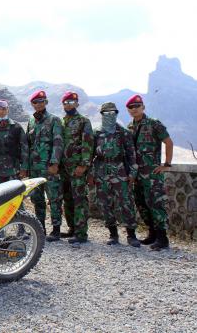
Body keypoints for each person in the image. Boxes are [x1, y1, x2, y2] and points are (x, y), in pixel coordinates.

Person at [89, 102, 140, 247]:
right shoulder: (96, 132)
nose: (110, 115)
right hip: (101, 170)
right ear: (102, 115)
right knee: (104, 203)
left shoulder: (123, 133)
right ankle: (113, 234)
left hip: (120, 171)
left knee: (126, 202)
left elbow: (131, 155)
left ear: (117, 113)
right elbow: (91, 155)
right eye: (106, 113)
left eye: (113, 113)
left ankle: (131, 235)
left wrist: (133, 173)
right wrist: (91, 174)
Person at [126, 94, 173, 250]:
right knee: (142, 204)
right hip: (137, 174)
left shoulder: (154, 124)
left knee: (156, 204)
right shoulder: (130, 127)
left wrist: (166, 164)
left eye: (137, 106)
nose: (134, 110)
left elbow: (168, 142)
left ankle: (162, 239)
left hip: (152, 175)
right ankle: (152, 234)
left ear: (143, 107)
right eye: (131, 107)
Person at [22, 90, 63, 236]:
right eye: (35, 102)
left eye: (41, 101)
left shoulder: (54, 120)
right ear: (32, 104)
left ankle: (56, 230)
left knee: (54, 198)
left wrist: (55, 163)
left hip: (48, 167)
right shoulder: (31, 121)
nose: (38, 104)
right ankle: (40, 229)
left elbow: (58, 142)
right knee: (37, 199)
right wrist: (25, 167)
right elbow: (28, 145)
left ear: (45, 102)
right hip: (34, 168)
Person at [58, 92, 93, 244]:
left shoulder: (84, 121)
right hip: (64, 168)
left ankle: (81, 233)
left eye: (71, 102)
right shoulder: (62, 122)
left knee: (79, 199)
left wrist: (84, 164)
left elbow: (88, 144)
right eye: (66, 102)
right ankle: (72, 228)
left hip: (77, 167)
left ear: (77, 104)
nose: (68, 105)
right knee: (67, 199)